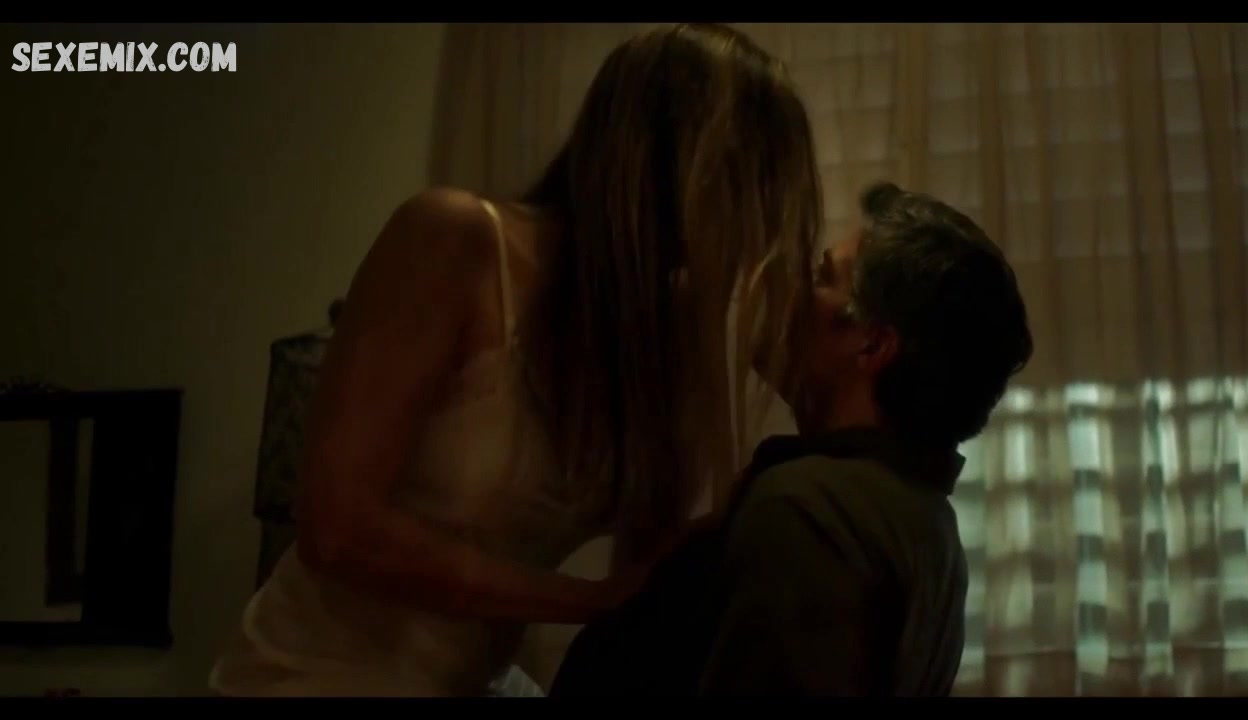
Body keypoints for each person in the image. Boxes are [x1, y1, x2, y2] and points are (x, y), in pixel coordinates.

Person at [209, 23, 822, 697]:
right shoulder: (458, 240)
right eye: (749, 185)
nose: (756, 224)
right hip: (312, 676)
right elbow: (336, 528)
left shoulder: (658, 331)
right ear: (675, 163)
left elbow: (658, 568)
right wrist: (584, 600)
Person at [548, 181, 1034, 697]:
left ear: (872, 346)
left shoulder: (809, 511)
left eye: (823, 277)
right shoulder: (924, 521)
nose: (792, 288)